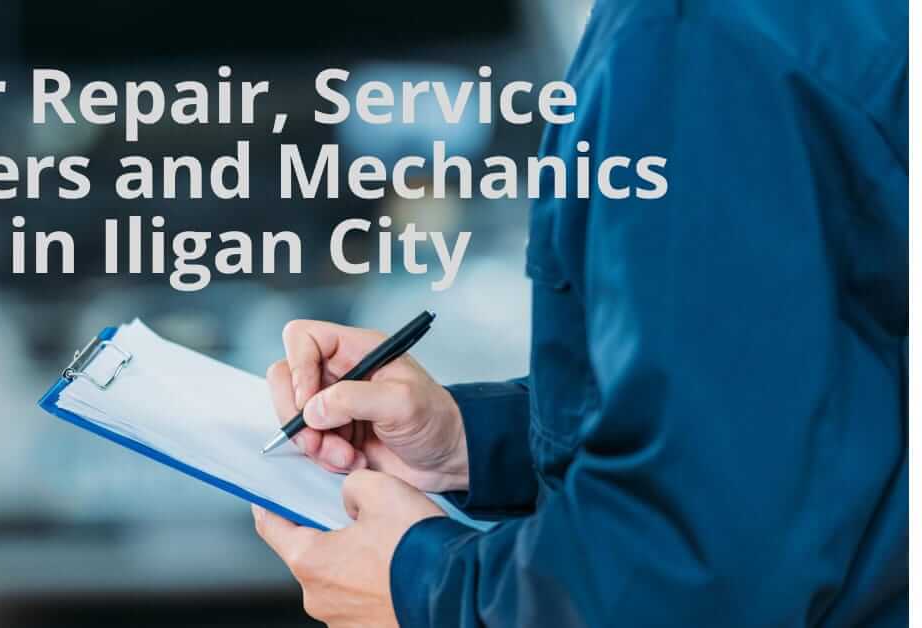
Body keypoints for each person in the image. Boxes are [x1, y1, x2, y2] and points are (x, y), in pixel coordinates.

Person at [250, 0, 908, 626]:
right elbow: (792, 401)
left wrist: (426, 589)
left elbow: (690, 573)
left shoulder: (691, 42)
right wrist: (474, 444)